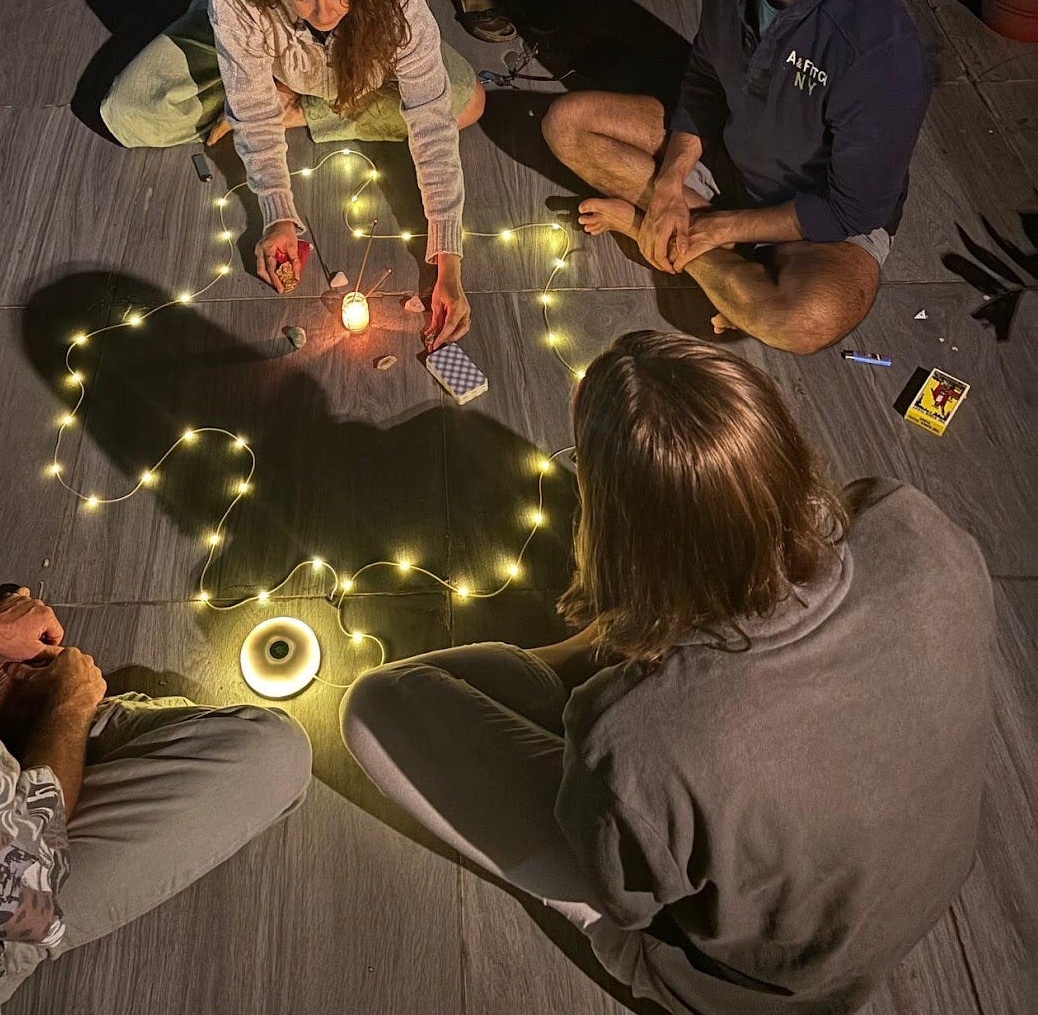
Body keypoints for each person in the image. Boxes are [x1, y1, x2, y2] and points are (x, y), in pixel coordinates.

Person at [341, 330, 993, 1015]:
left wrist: (608, 732)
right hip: (918, 883)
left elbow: (627, 893)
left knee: (378, 705)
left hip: (776, 991)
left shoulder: (638, 741)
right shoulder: (912, 519)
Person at [0, 317, 312, 1013]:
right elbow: (27, 896)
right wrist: (67, 704)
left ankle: (7, 721)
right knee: (273, 754)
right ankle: (50, 725)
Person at [541, 0, 932, 354]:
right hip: (728, 153)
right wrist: (674, 180)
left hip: (812, 218)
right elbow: (704, 74)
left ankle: (661, 235)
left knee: (805, 322)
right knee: (568, 126)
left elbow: (853, 211)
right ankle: (713, 263)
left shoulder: (880, 54)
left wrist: (713, 229)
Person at [101, 0, 485, 347]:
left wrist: (447, 258)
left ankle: (299, 110)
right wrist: (278, 213)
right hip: (259, 46)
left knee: (464, 99)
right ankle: (263, 86)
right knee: (129, 111)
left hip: (354, 66)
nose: (324, 15)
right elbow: (253, 110)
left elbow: (428, 114)